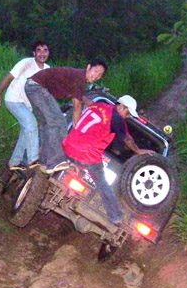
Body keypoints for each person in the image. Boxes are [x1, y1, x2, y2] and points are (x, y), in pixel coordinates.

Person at [62, 95, 154, 225]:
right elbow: (128, 139)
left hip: (70, 145)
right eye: (128, 113)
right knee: (102, 183)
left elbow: (89, 102)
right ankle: (115, 216)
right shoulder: (116, 118)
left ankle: (65, 179)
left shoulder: (100, 106)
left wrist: (82, 96)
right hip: (88, 154)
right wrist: (138, 150)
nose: (128, 117)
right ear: (122, 106)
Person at [24, 58, 107, 174]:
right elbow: (77, 106)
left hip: (31, 86)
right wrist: (77, 131)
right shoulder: (80, 78)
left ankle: (44, 161)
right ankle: (55, 161)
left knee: (47, 124)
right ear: (88, 67)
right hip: (37, 88)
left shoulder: (78, 78)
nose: (96, 76)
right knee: (59, 122)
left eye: (99, 75)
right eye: (95, 71)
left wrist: (85, 100)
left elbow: (77, 98)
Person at [0, 41, 50, 170]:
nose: (42, 53)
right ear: (34, 53)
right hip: (14, 99)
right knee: (31, 124)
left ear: (48, 53)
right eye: (39, 50)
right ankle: (33, 159)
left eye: (45, 50)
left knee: (25, 132)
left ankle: (14, 162)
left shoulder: (47, 69)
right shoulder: (26, 63)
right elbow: (9, 77)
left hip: (27, 105)